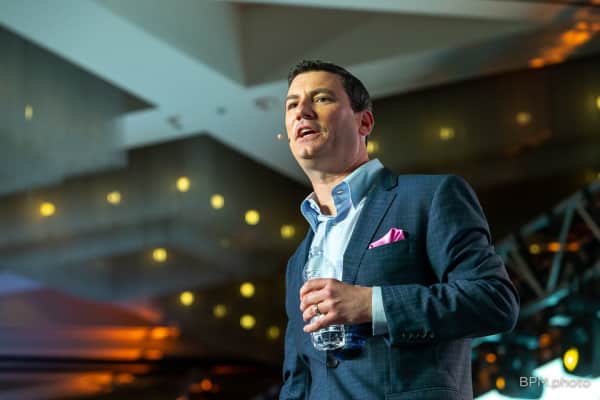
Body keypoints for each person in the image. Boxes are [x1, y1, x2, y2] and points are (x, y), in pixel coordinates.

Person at [280, 60, 520, 400]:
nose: (302, 111)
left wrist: (372, 304)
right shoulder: (297, 262)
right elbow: (297, 379)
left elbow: (494, 300)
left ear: (364, 122)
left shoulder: (431, 197)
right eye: (292, 104)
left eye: (321, 98)